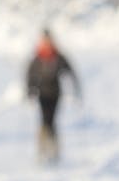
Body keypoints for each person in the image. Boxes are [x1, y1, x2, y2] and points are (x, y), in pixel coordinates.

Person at [26, 29, 80, 164]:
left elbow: (70, 71)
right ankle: (42, 150)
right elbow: (30, 74)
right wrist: (30, 89)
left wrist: (75, 88)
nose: (47, 42)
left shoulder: (58, 56)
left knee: (52, 121)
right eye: (45, 40)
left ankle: (54, 150)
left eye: (48, 40)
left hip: (55, 93)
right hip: (42, 94)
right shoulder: (38, 56)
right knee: (44, 121)